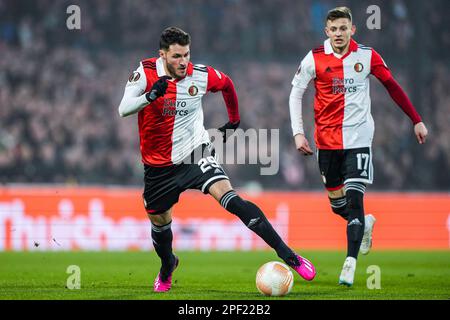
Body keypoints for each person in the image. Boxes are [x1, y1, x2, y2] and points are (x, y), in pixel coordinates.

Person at [118, 26, 316, 292]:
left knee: (230, 198)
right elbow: (123, 109)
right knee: (160, 224)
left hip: (195, 153)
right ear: (162, 55)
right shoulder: (145, 72)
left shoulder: (199, 75)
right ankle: (168, 267)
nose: (183, 61)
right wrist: (149, 96)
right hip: (158, 167)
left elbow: (226, 84)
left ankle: (288, 255)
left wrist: (234, 119)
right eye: (176, 56)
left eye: (186, 55)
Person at [288, 7, 428, 286]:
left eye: (344, 28)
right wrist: (298, 134)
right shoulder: (314, 58)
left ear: (353, 29)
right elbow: (296, 93)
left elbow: (393, 87)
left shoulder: (368, 56)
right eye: (333, 29)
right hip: (326, 142)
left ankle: (349, 264)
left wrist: (416, 120)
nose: (339, 34)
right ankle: (364, 223)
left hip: (359, 138)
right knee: (339, 206)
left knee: (354, 199)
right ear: (326, 31)